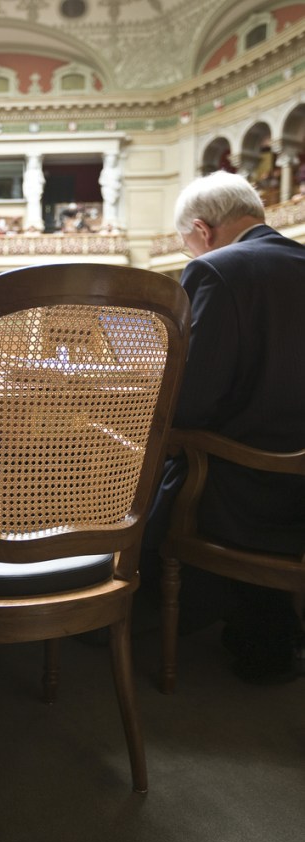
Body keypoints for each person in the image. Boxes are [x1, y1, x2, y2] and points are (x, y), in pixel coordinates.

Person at [142, 170, 305, 682]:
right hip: (294, 481)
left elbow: (192, 403)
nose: (190, 252)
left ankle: (110, 611)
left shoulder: (214, 269)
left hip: (247, 482)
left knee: (149, 464)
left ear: (202, 230)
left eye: (187, 244)